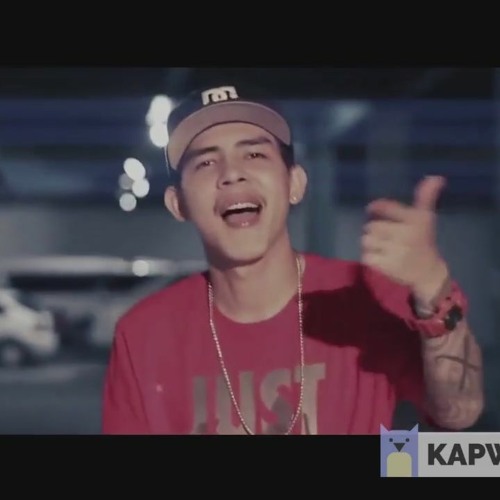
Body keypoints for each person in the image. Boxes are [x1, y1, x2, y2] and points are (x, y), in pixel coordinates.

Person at [102, 84, 485, 435]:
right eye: (206, 162)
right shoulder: (143, 336)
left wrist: (434, 289)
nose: (232, 173)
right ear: (178, 203)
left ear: (295, 184)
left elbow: (460, 413)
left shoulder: (364, 297)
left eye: (254, 154)